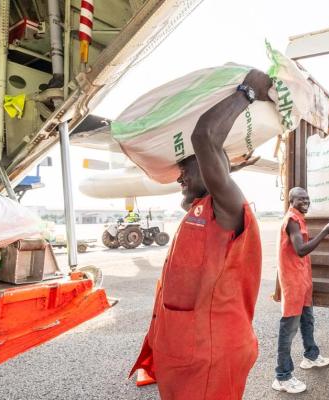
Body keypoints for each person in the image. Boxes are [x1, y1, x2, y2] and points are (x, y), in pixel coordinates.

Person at [129, 69, 273, 400]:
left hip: (210, 357)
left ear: (214, 169)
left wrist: (247, 91)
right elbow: (192, 185)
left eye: (186, 167)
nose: (179, 174)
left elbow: (204, 136)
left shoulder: (229, 207)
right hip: (187, 353)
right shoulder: (199, 210)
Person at [270, 187, 329, 394]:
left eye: (308, 198)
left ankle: (311, 355)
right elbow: (300, 250)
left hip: (302, 281)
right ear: (291, 200)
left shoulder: (299, 217)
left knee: (307, 320)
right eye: (301, 198)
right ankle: (282, 376)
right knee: (288, 328)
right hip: (293, 283)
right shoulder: (292, 219)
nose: (306, 201)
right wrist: (325, 232)